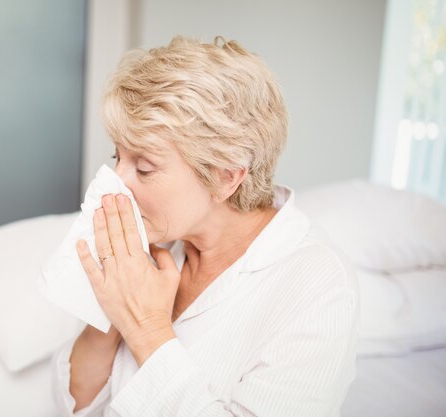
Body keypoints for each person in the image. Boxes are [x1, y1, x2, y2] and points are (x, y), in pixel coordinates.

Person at [50, 35, 358, 417]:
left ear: (226, 177)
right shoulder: (160, 239)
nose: (116, 179)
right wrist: (112, 316)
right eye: (117, 156)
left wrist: (146, 329)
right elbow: (74, 405)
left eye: (144, 167)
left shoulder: (317, 284)